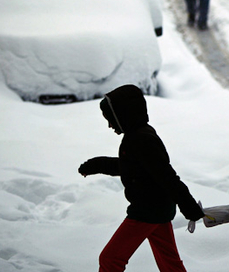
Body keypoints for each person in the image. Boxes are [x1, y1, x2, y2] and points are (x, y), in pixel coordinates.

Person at [78, 84, 205, 272]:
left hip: (147, 211)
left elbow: (167, 177)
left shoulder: (141, 139)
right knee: (169, 263)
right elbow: (135, 167)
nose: (109, 125)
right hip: (158, 209)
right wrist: (98, 164)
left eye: (111, 119)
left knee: (110, 259)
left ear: (123, 115)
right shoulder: (138, 136)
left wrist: (189, 207)